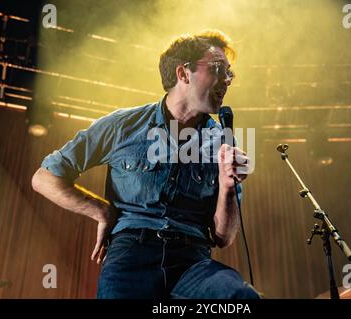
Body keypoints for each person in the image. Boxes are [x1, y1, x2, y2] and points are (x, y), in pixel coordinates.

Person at [31, 29, 260, 299]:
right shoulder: (123, 125)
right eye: (218, 69)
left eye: (230, 73)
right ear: (183, 73)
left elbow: (223, 236)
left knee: (241, 298)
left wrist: (227, 187)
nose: (228, 80)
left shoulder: (222, 143)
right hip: (131, 255)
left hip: (193, 263)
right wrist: (101, 210)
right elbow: (44, 177)